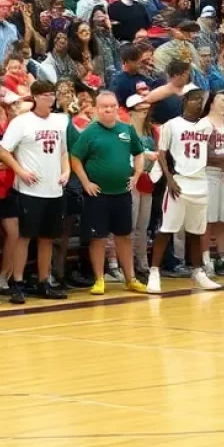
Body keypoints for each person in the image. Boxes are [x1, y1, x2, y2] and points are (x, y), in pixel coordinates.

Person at [0, 80, 76, 303]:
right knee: (24, 236)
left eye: (52, 94)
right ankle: (18, 282)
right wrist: (19, 170)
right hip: (29, 190)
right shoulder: (22, 122)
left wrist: (66, 171)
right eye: (45, 95)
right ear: (35, 97)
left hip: (54, 189)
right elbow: (3, 150)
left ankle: (44, 281)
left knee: (48, 238)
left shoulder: (60, 120)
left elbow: (63, 151)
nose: (50, 98)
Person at [69, 91, 147, 296]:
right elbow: (75, 158)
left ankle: (130, 278)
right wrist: (85, 182)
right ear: (96, 109)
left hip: (122, 192)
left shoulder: (126, 130)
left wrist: (137, 175)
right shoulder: (89, 132)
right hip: (98, 195)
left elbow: (138, 153)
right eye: (105, 107)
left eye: (112, 106)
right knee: (98, 238)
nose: (109, 110)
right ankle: (99, 279)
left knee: (124, 236)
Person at [146, 89, 221, 294]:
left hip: (200, 182)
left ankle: (198, 272)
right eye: (195, 99)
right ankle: (154, 272)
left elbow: (208, 151)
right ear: (185, 100)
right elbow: (162, 154)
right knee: (167, 229)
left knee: (196, 231)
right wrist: (169, 178)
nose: (198, 103)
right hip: (178, 182)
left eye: (201, 100)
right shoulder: (171, 125)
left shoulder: (206, 125)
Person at [196, 91, 224, 277]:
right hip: (209, 174)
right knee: (208, 220)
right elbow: (198, 152)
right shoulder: (204, 124)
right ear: (211, 103)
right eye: (223, 99)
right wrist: (217, 161)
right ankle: (206, 260)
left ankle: (222, 258)